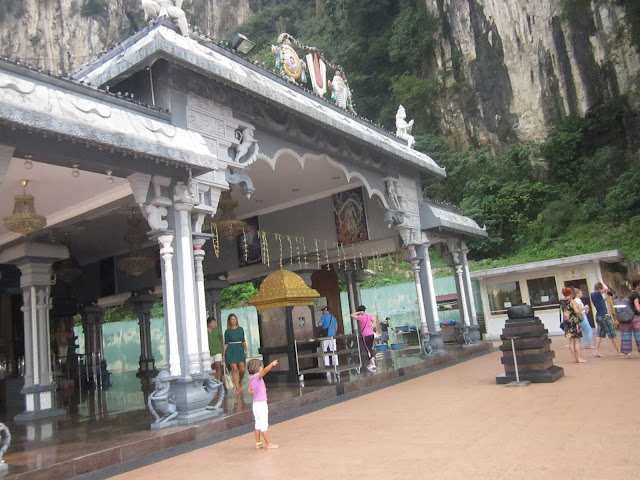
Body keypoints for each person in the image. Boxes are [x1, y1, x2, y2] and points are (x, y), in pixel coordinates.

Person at [247, 358, 279, 450]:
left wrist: (258, 391)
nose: (262, 368)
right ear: (258, 368)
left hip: (255, 404)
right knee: (264, 424)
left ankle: (258, 443)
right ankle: (269, 443)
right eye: (261, 367)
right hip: (261, 404)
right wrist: (272, 364)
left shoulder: (251, 378)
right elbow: (265, 371)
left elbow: (249, 391)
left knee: (257, 424)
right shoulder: (258, 376)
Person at [590, 280, 622, 357]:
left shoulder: (594, 295)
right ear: (599, 289)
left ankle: (595, 351)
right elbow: (606, 289)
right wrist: (601, 281)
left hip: (599, 316)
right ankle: (619, 350)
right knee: (612, 333)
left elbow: (601, 302)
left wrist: (607, 296)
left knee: (600, 334)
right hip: (604, 316)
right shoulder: (596, 294)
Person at [560, 287, 585, 363]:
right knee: (577, 340)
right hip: (574, 322)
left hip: (566, 322)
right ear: (570, 293)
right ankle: (579, 357)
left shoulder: (561, 301)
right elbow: (576, 311)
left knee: (571, 341)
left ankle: (574, 358)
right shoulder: (572, 301)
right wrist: (581, 315)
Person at [223, 313, 247, 394]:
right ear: (229, 321)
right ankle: (237, 387)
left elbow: (243, 341)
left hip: (239, 349)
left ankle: (240, 381)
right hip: (231, 349)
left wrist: (246, 350)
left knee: (242, 369)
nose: (233, 321)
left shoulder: (240, 329)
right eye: (231, 319)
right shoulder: (227, 331)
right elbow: (226, 343)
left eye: (234, 319)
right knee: (234, 368)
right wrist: (224, 355)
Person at [350, 305, 376, 372]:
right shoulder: (368, 316)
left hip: (365, 335)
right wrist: (371, 326)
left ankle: (373, 364)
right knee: (370, 348)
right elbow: (374, 321)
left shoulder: (360, 317)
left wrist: (358, 312)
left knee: (368, 350)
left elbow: (352, 315)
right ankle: (370, 364)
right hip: (371, 334)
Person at [620, 280, 640, 358]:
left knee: (625, 336)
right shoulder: (634, 294)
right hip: (635, 317)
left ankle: (626, 354)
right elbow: (638, 308)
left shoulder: (618, 295)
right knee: (638, 335)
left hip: (623, 319)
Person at [207, 316, 223, 381]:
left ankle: (218, 380)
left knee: (218, 365)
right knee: (212, 366)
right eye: (212, 323)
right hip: (209, 351)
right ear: (208, 324)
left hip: (218, 350)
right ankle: (214, 379)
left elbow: (221, 339)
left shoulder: (217, 330)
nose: (214, 324)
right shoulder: (205, 331)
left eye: (214, 323)